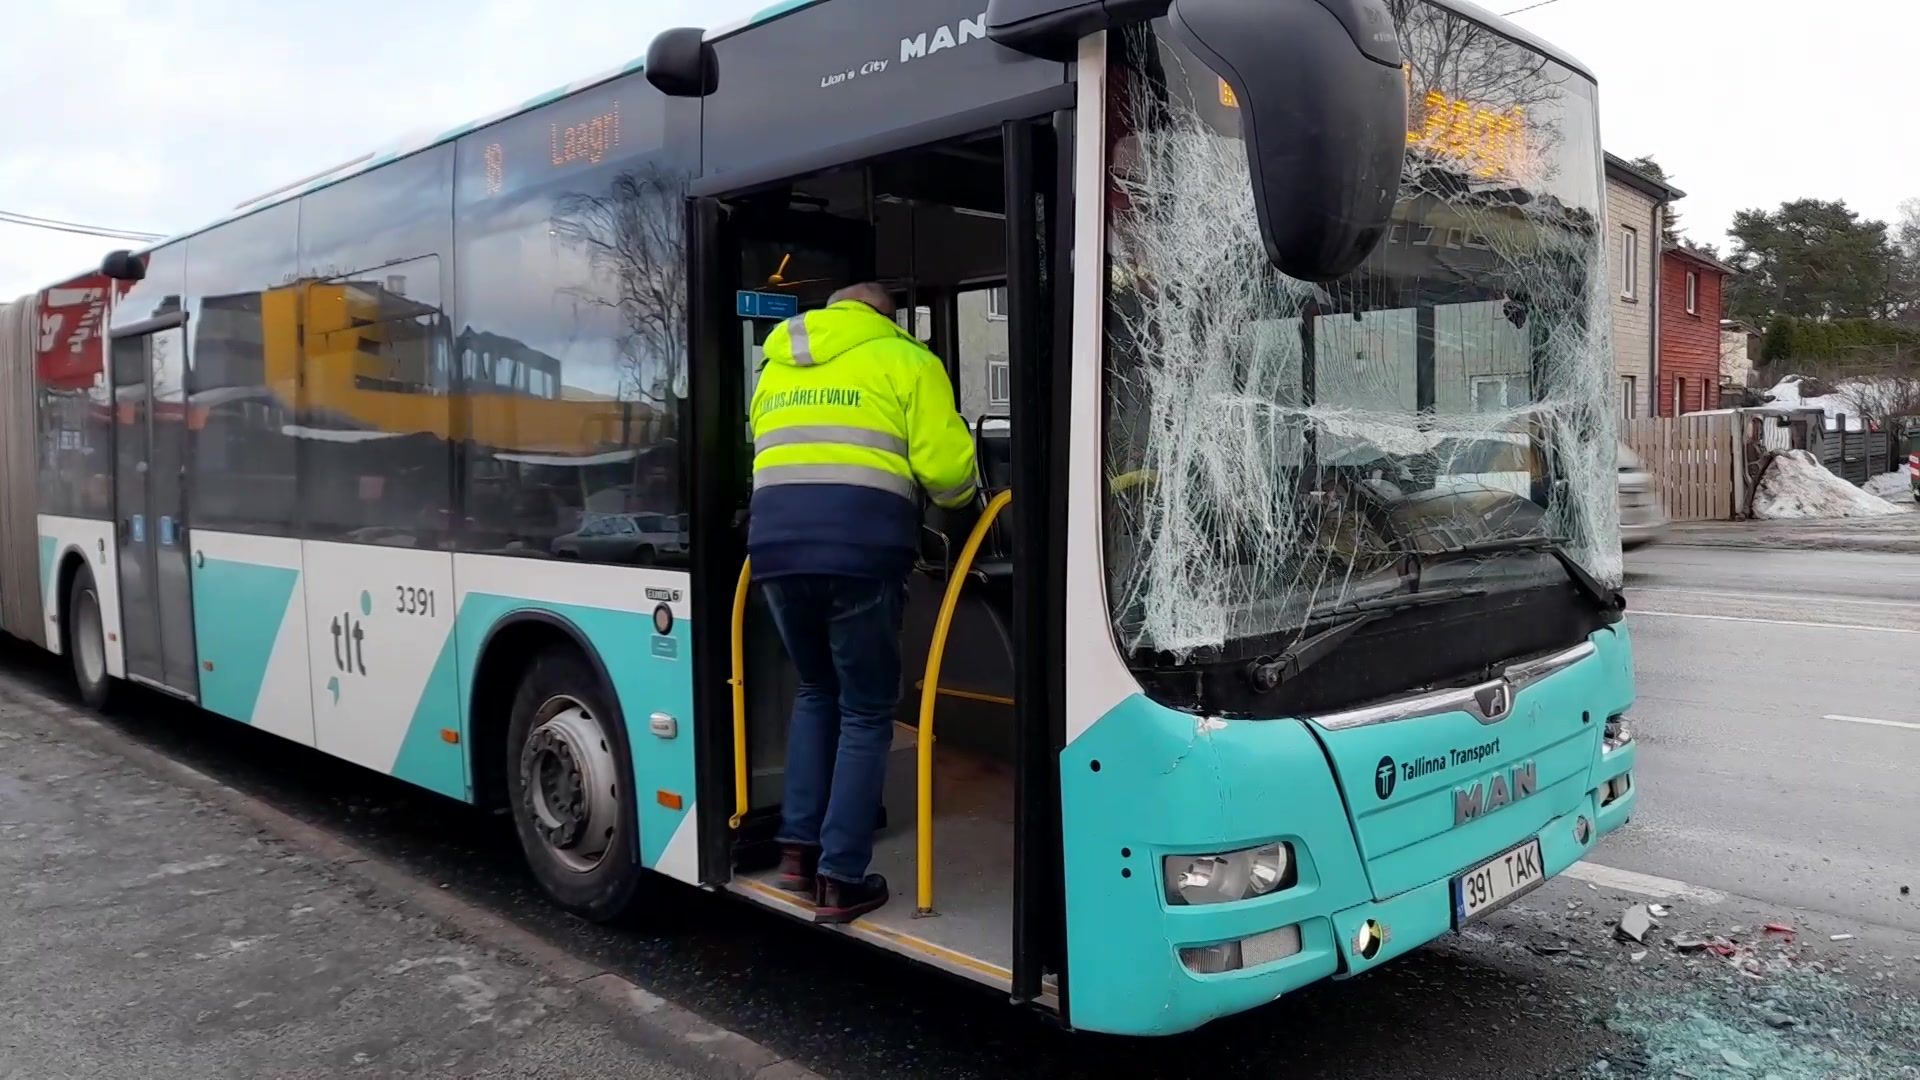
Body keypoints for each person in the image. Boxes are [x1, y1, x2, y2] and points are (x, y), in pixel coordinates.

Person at [747, 281, 979, 924]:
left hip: (773, 555)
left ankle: (796, 850)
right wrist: (969, 505)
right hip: (860, 557)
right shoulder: (907, 361)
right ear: (889, 317)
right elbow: (950, 475)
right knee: (868, 710)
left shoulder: (774, 366)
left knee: (817, 691)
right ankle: (840, 877)